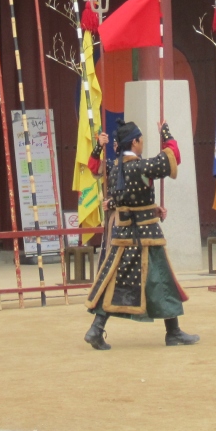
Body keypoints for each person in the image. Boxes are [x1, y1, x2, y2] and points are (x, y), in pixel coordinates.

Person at [84, 121, 198, 350]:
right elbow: (172, 156)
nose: (143, 143)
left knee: (113, 280)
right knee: (162, 280)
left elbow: (98, 170)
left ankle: (96, 329)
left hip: (123, 233)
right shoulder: (142, 167)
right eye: (141, 139)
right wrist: (165, 132)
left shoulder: (115, 168)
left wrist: (98, 147)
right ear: (134, 142)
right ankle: (173, 332)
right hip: (146, 235)